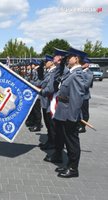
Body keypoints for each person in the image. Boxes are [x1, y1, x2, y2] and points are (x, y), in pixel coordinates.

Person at [53, 47, 86, 178]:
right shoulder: (71, 73)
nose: (67, 59)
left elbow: (77, 98)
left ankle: (73, 168)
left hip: (69, 114)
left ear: (76, 59)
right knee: (67, 140)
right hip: (64, 112)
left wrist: (72, 117)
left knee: (72, 142)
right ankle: (69, 165)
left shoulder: (77, 74)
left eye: (69, 57)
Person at [77, 57, 93, 133]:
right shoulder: (79, 71)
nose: (81, 65)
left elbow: (86, 85)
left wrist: (76, 85)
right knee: (77, 111)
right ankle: (77, 124)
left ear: (87, 64)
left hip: (84, 96)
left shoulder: (89, 73)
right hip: (77, 95)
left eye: (83, 63)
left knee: (84, 112)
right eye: (81, 63)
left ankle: (82, 126)